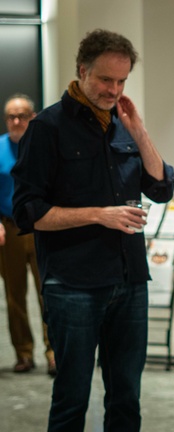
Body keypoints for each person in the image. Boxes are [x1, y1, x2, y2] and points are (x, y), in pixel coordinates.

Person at [12, 29, 174, 431]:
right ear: (82, 70)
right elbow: (27, 212)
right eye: (106, 79)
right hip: (73, 284)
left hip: (129, 280)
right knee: (72, 398)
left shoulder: (124, 125)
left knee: (126, 398)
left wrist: (138, 129)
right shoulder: (47, 127)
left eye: (121, 81)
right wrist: (99, 215)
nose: (114, 89)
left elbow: (161, 187)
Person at [1, 94, 56, 376]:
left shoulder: (42, 145)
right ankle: (23, 353)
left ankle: (53, 352)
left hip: (40, 228)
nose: (16, 121)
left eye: (22, 115)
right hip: (9, 230)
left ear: (32, 117)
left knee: (49, 292)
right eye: (11, 116)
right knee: (14, 296)